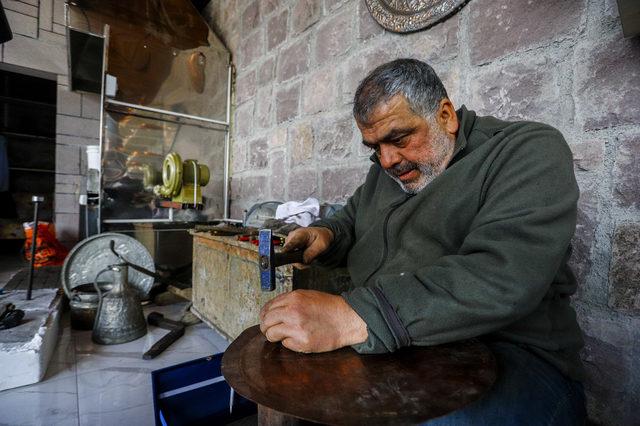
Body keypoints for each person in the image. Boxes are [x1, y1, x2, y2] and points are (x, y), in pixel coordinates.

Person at [259, 58, 587, 424]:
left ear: (445, 115)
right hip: (398, 342)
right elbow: (353, 218)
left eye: (399, 139)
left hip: (512, 355)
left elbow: (500, 276)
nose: (387, 160)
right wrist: (329, 234)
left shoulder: (525, 151)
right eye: (374, 147)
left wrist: (351, 315)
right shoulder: (385, 171)